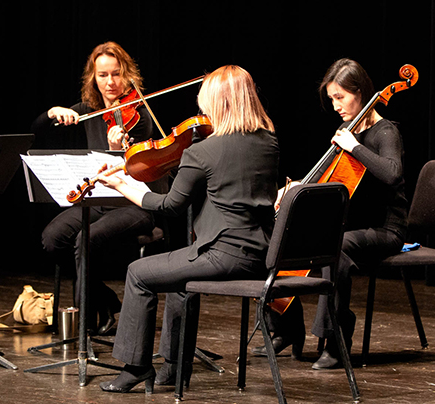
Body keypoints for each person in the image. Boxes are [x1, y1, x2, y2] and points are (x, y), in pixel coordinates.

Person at [96, 65, 279, 393]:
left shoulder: (203, 150)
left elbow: (169, 206)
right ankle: (175, 365)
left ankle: (135, 366)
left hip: (224, 254)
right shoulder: (267, 142)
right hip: (262, 254)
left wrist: (124, 185)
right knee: (178, 276)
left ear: (217, 103)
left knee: (139, 272)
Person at [252, 58, 408, 370]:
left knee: (337, 251)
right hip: (350, 225)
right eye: (332, 98)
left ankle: (336, 341)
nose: (335, 105)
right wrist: (296, 188)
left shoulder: (384, 131)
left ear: (361, 93)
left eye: (341, 97)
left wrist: (354, 147)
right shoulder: (345, 130)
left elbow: (392, 174)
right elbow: (330, 180)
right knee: (276, 238)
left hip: (385, 229)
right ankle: (286, 327)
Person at [31, 41, 158, 335]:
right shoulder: (89, 108)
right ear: (93, 78)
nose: (110, 82)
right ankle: (105, 300)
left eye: (116, 74)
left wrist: (117, 149)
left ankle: (85, 326)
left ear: (128, 75)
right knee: (52, 239)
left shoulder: (139, 115)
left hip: (134, 203)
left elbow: (134, 168)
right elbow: (36, 129)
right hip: (98, 199)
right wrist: (52, 112)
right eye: (103, 75)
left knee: (84, 241)